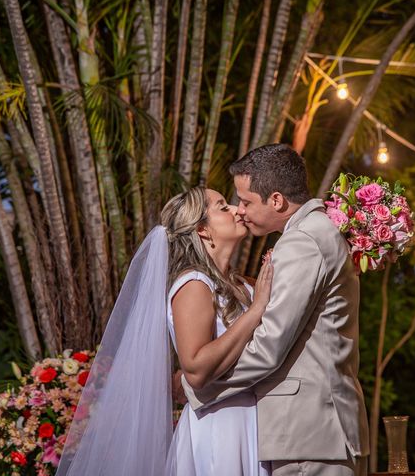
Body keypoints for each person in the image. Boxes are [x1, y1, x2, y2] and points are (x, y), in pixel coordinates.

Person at [56, 187, 273, 476]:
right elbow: (195, 367)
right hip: (220, 429)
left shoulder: (246, 285)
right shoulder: (194, 285)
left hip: (256, 421)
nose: (236, 210)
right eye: (223, 207)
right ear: (202, 230)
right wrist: (257, 310)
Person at [182, 144, 370, 476]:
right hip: (314, 433)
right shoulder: (317, 231)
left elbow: (270, 347)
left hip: (310, 433)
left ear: (277, 200)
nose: (240, 211)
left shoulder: (302, 241)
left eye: (245, 201)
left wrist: (200, 386)